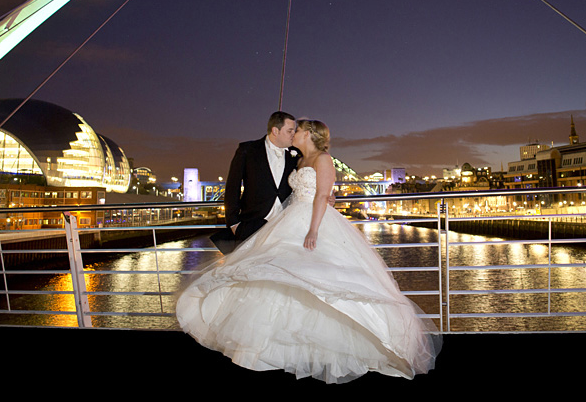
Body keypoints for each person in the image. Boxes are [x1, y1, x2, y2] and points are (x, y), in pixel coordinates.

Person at [176, 119, 442, 383]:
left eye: (298, 130)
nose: (294, 134)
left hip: (313, 223)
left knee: (319, 279)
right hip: (289, 219)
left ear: (309, 134)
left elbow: (321, 195)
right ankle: (282, 349)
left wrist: (314, 229)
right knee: (284, 278)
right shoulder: (298, 159)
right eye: (291, 129)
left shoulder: (324, 159)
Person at [210, 111, 299, 254]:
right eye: (290, 131)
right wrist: (234, 223)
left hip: (285, 226)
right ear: (275, 131)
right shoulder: (247, 150)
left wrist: (326, 195)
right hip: (253, 224)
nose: (293, 134)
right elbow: (233, 186)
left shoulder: (296, 154)